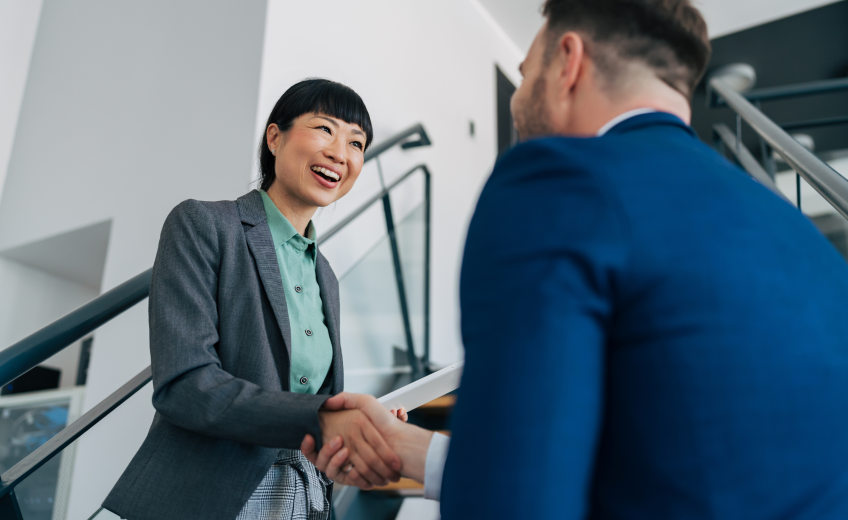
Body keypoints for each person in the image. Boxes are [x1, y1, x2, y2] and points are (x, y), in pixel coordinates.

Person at [307, 1, 848, 518]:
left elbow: (517, 502)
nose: (519, 99)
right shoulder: (800, 231)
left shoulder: (557, 182)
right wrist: (412, 450)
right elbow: (673, 459)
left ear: (567, 61)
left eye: (525, 72)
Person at [102, 79, 402, 520]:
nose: (341, 152)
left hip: (305, 498)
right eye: (324, 129)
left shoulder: (327, 277)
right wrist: (322, 415)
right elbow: (184, 386)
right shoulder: (203, 225)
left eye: (356, 142)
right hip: (211, 497)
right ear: (275, 137)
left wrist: (356, 425)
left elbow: (302, 397)